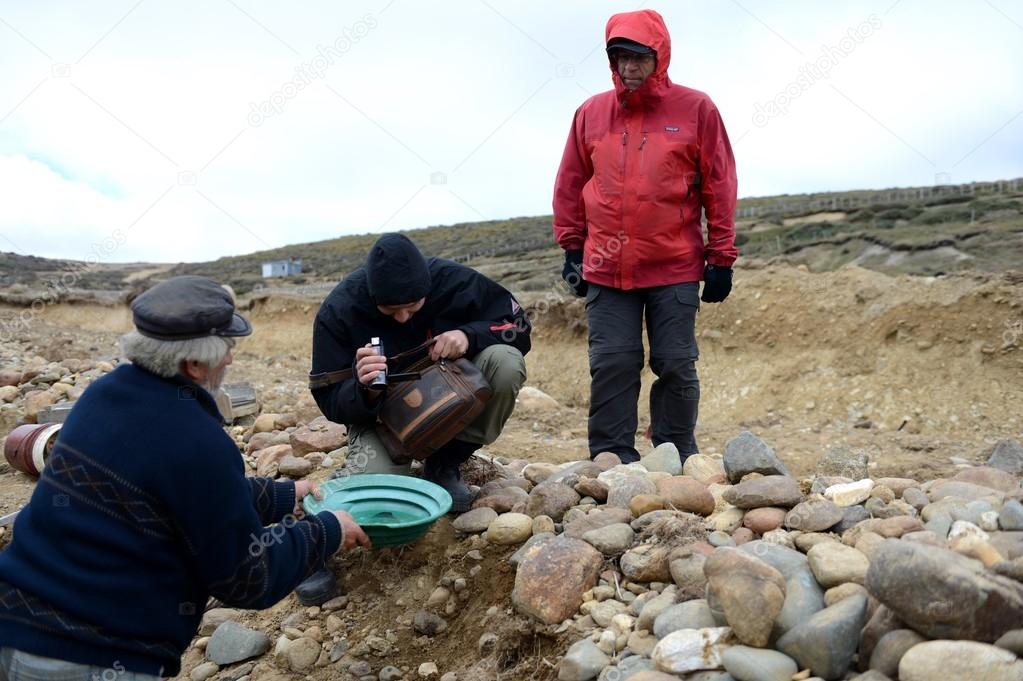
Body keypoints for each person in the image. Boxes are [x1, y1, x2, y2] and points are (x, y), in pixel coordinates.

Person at [0, 275, 369, 679]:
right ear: (193, 364)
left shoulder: (100, 396)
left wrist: (284, 496)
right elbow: (247, 579)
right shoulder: (195, 438)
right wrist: (327, 530)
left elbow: (183, 496)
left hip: (13, 621)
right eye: (227, 349)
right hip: (89, 657)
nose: (230, 359)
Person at [553, 9, 738, 465]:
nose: (630, 68)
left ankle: (674, 453)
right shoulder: (591, 113)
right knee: (613, 362)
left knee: (676, 362)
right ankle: (613, 458)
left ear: (661, 56)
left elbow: (719, 184)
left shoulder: (697, 109)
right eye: (620, 58)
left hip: (674, 264)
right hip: (605, 267)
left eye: (640, 57)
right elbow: (571, 181)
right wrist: (573, 249)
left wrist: (721, 258)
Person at [310, 233, 530, 512]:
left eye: (413, 307)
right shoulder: (339, 310)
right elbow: (329, 400)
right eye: (391, 311)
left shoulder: (454, 281)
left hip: (451, 393)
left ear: (428, 287)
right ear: (371, 295)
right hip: (383, 419)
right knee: (370, 497)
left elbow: (519, 327)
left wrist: (469, 336)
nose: (403, 318)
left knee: (505, 361)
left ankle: (444, 464)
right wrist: (364, 389)